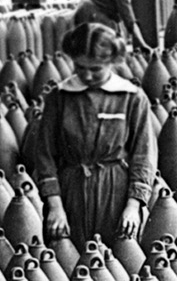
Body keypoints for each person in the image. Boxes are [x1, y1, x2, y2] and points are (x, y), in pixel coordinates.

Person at [24, 24, 157, 249]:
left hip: (116, 193)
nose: (86, 75)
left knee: (118, 264)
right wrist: (55, 207)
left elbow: (144, 155)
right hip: (70, 194)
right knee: (71, 265)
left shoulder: (132, 98)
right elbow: (45, 156)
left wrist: (134, 207)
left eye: (95, 69)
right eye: (79, 67)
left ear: (112, 62)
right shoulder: (59, 97)